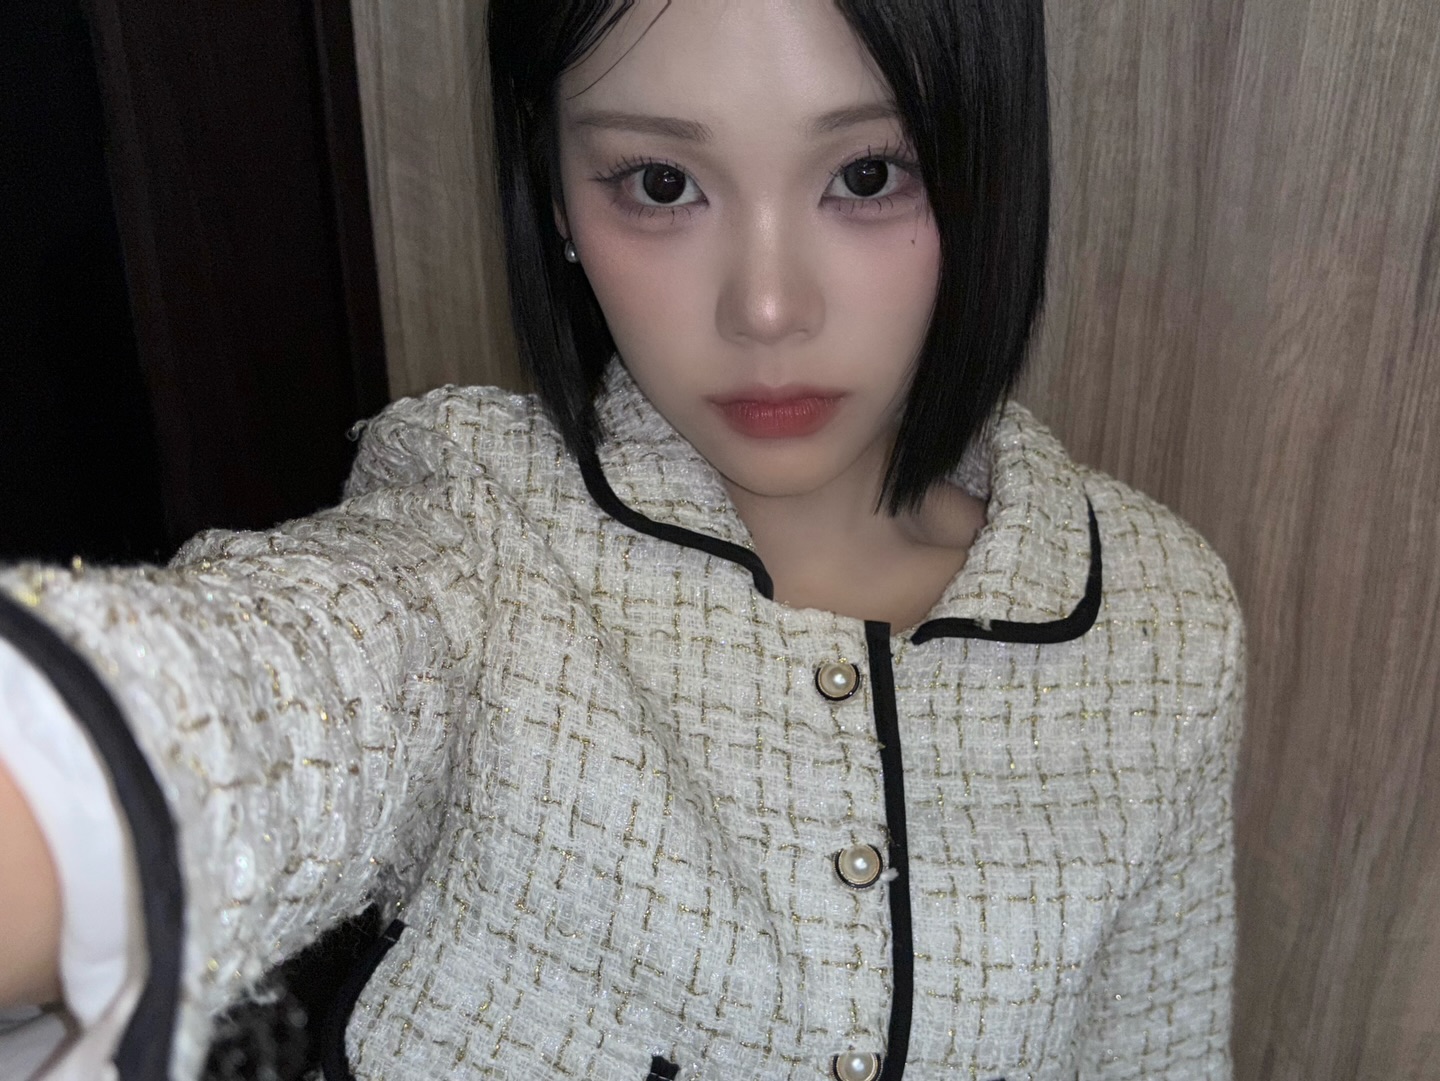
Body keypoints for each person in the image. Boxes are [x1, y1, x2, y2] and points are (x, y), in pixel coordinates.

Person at [0, 0, 1245, 1078]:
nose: (768, 306)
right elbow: (263, 691)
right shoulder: (479, 528)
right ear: (555, 193)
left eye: (868, 176)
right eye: (660, 184)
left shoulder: (1162, 622)